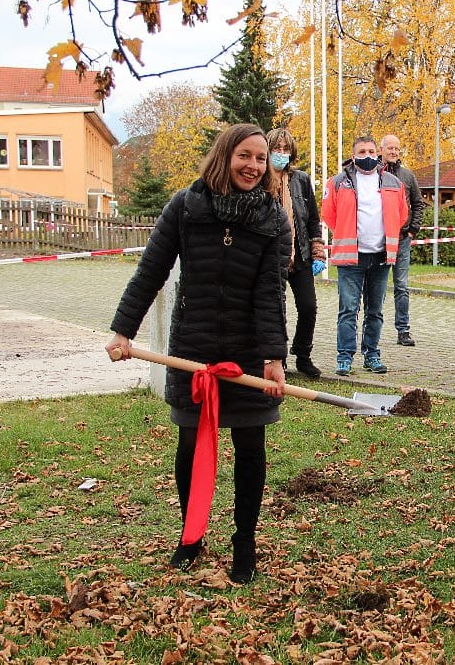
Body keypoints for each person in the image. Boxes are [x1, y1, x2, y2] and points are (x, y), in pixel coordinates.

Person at [106, 123, 292, 583]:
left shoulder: (274, 219)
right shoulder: (186, 207)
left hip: (248, 351)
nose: (252, 166)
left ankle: (243, 544)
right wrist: (123, 331)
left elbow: (271, 293)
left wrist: (273, 357)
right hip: (194, 346)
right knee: (190, 443)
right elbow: (150, 271)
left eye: (260, 158)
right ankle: (191, 536)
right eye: (243, 156)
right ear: (224, 156)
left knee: (250, 445)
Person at [322, 135, 410, 376]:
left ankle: (371, 354)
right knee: (348, 309)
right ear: (353, 156)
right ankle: (344, 357)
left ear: (378, 154)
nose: (368, 155)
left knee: (375, 311)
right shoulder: (338, 182)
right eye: (362, 151)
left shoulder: (393, 182)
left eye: (371, 151)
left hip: (381, 257)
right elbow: (329, 215)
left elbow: (402, 215)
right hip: (351, 257)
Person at [266, 128, 326, 376]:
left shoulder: (300, 180)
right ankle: (277, 357)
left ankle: (303, 354)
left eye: (285, 149)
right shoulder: (260, 179)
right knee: (275, 310)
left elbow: (312, 218)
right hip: (271, 257)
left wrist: (318, 251)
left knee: (308, 306)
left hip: (300, 255)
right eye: (277, 149)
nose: (281, 153)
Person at [379, 134, 425, 347]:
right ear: (382, 150)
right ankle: (373, 329)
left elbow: (418, 204)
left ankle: (403, 330)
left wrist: (412, 230)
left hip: (402, 239)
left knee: (402, 286)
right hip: (378, 240)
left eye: (397, 148)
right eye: (390, 148)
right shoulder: (373, 174)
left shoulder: (407, 175)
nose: (394, 152)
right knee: (376, 287)